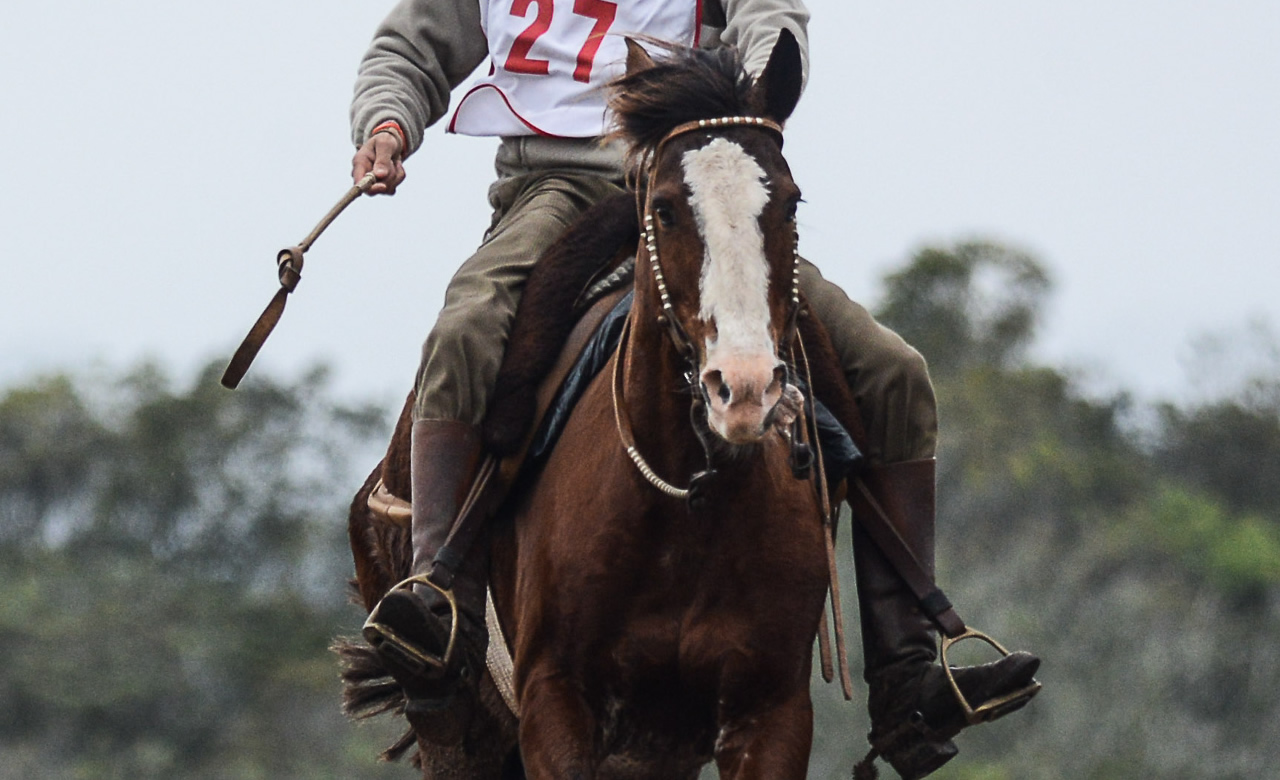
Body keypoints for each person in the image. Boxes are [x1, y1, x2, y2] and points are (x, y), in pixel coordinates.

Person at [350, 0, 1039, 776]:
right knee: (465, 330)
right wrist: (386, 126)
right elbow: (412, 44)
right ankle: (439, 604)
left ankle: (908, 672)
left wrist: (756, 89)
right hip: (551, 190)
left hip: (705, 175)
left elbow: (769, 17)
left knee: (893, 372)